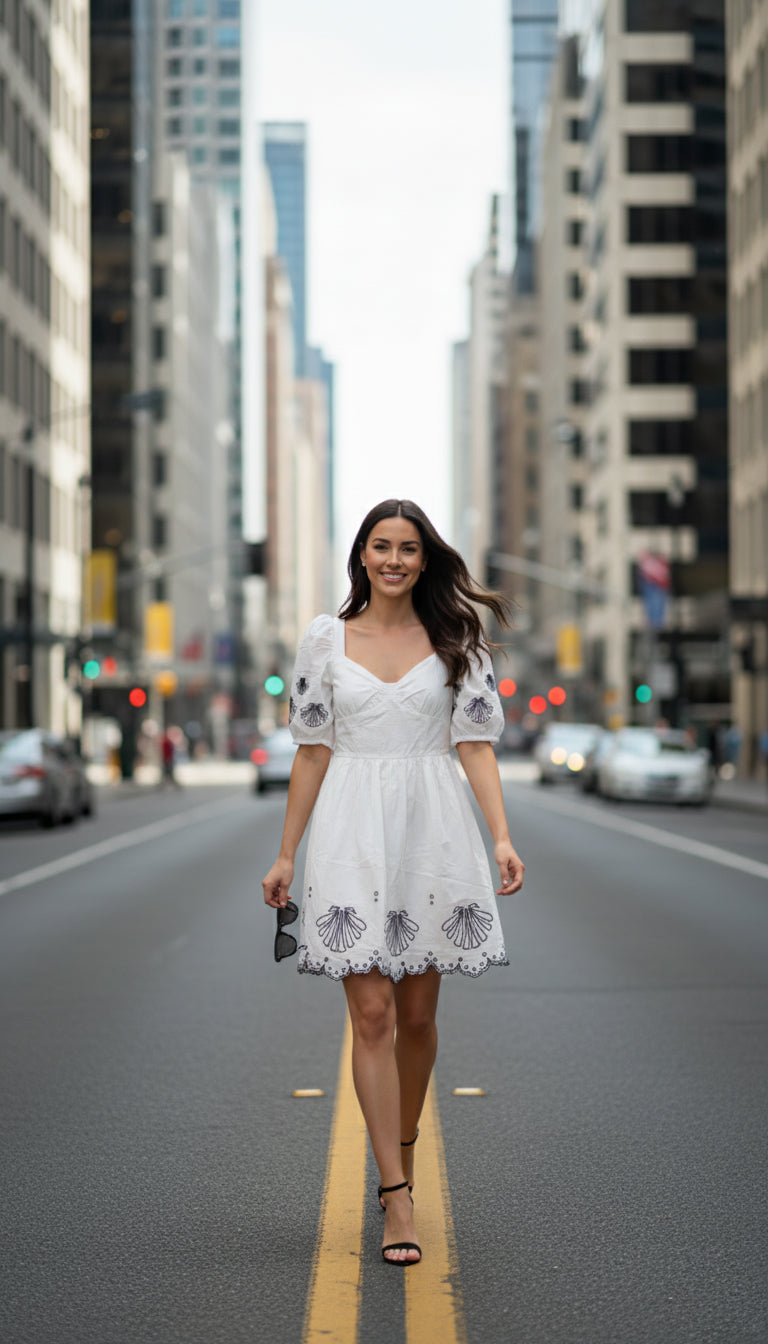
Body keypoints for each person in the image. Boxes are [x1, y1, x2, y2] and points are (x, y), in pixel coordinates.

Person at [261, 499, 525, 1268]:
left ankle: (401, 1140)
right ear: (362, 555)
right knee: (370, 1013)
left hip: (432, 831)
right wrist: (286, 855)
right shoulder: (324, 639)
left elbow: (474, 745)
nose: (395, 560)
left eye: (409, 548)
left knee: (416, 1017)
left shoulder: (455, 640)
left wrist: (502, 837)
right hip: (350, 830)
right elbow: (312, 750)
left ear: (425, 558)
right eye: (382, 546)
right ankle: (395, 1193)